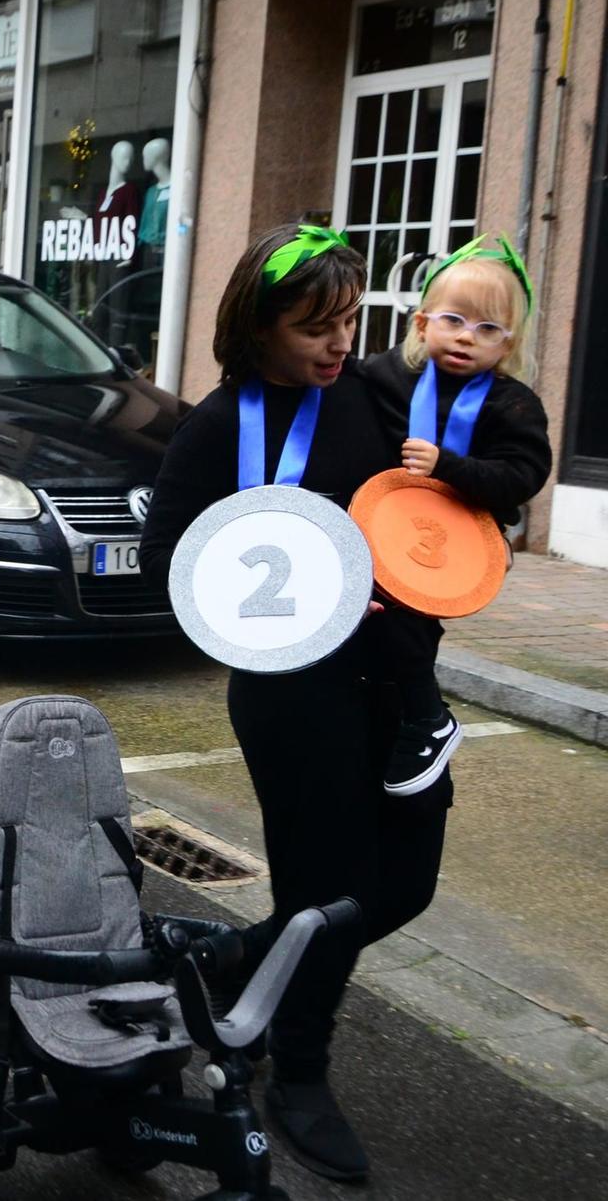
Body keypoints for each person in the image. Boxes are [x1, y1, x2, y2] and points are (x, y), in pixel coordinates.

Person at [137, 224, 448, 1184]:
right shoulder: (217, 426)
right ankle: (296, 1073)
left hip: (401, 687)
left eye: (351, 320)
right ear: (259, 324)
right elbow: (167, 564)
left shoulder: (374, 399)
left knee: (405, 884)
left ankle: (237, 961)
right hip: (289, 695)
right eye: (316, 324)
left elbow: (442, 497)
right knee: (326, 891)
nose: (338, 342)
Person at [358, 234, 551, 796]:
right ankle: (410, 714)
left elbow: (524, 475)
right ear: (421, 324)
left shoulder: (512, 403)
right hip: (390, 528)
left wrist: (450, 466)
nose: (468, 337)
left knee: (408, 619)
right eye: (455, 320)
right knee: (387, 618)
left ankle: (426, 718)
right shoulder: (387, 377)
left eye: (488, 329)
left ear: (508, 343)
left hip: (461, 542)